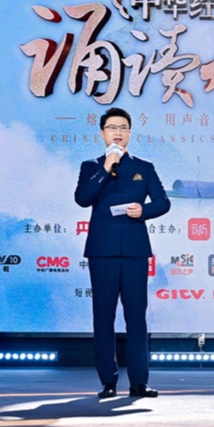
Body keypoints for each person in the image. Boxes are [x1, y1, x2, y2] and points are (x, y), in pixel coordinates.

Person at [74, 107, 171, 398]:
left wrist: (144, 210)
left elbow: (163, 202)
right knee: (103, 317)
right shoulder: (91, 166)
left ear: (130, 133)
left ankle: (139, 382)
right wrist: (106, 168)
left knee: (136, 317)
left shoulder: (144, 166)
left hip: (134, 251)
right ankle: (108, 381)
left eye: (123, 128)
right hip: (102, 251)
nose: (118, 132)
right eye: (112, 128)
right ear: (102, 133)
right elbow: (82, 199)